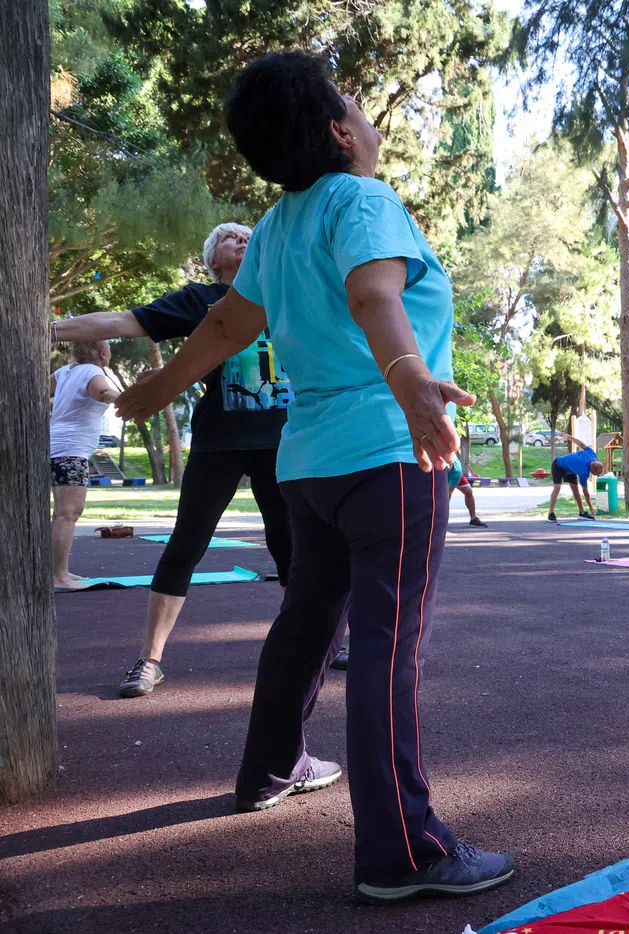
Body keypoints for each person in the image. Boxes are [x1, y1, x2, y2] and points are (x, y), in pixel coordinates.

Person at [116, 50, 512, 904]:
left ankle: (271, 769)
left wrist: (156, 389)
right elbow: (374, 298)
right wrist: (411, 382)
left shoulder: (281, 223)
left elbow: (226, 325)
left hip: (311, 469)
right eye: (358, 110)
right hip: (386, 456)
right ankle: (402, 851)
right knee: (385, 645)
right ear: (340, 132)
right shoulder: (362, 200)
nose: (369, 122)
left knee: (308, 625)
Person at [52, 222, 296, 698]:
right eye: (230, 238)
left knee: (290, 545)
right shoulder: (200, 300)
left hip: (283, 442)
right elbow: (121, 321)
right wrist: (48, 328)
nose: (243, 239)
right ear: (214, 260)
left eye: (248, 235)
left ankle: (327, 642)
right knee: (185, 545)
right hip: (218, 444)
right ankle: (150, 660)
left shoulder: (287, 290)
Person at [49, 341, 120, 590]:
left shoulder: (65, 371)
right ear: (103, 353)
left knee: (61, 513)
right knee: (68, 513)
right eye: (109, 349)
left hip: (53, 447)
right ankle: (59, 576)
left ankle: (60, 571)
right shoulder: (93, 372)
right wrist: (125, 399)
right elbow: (102, 393)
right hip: (71, 451)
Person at [546, 430, 605, 521]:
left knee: (575, 489)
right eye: (595, 474)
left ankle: (582, 513)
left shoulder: (592, 454)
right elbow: (585, 492)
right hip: (558, 465)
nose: (595, 475)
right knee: (557, 487)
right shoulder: (583, 472)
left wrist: (569, 437)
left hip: (570, 469)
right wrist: (591, 507)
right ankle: (551, 513)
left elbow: (581, 444)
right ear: (592, 470)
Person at [446, 457, 487, 527]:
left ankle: (473, 519)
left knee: (468, 492)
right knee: (446, 496)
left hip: (456, 472)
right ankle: (441, 520)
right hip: (452, 473)